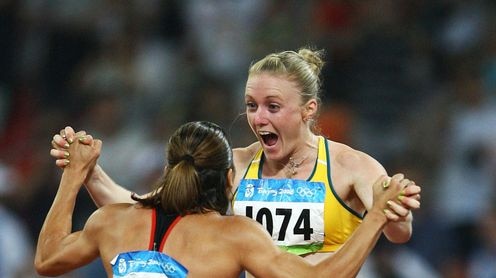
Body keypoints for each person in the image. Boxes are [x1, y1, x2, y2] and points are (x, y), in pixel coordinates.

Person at [50, 47, 420, 265]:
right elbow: (143, 212)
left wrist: (395, 213)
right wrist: (90, 173)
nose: (258, 118)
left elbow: (399, 233)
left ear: (309, 110)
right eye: (251, 105)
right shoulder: (236, 165)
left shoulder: (351, 166)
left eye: (273, 106)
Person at [37, 121, 420, 277]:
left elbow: (47, 260)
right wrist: (374, 219)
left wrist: (75, 176)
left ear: (169, 168)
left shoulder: (112, 221)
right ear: (229, 178)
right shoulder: (236, 235)